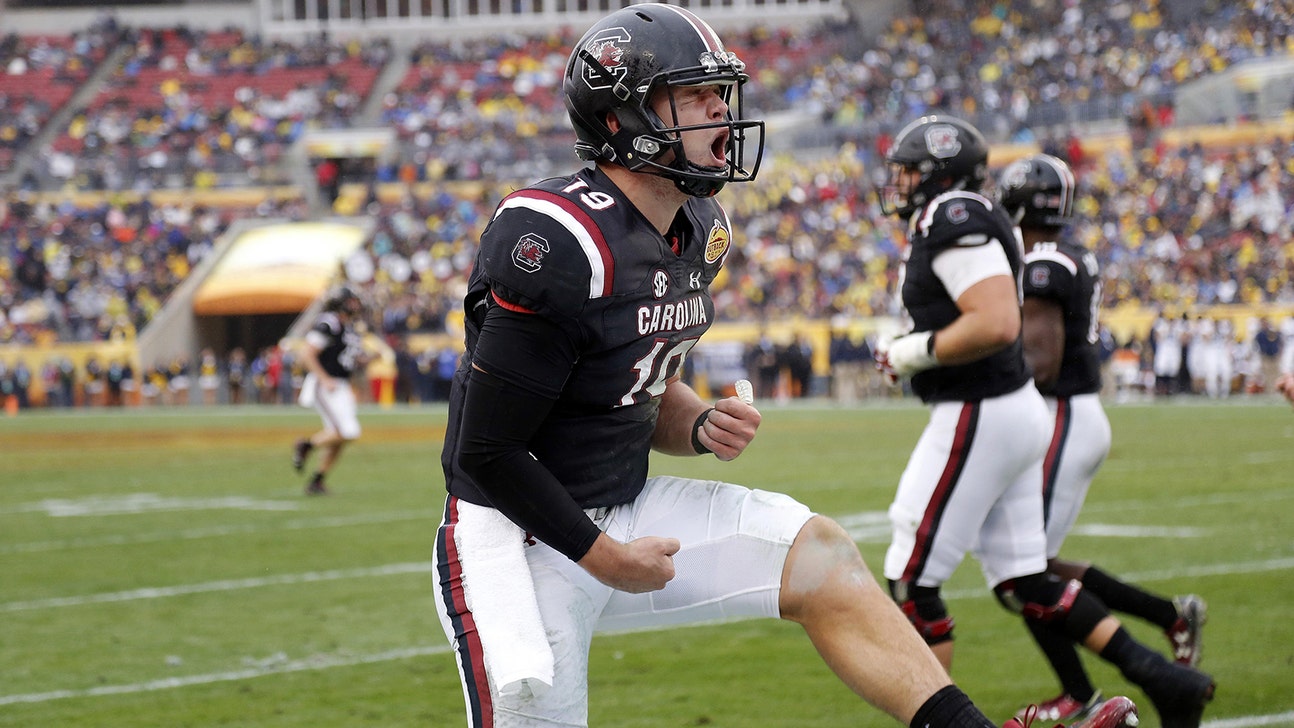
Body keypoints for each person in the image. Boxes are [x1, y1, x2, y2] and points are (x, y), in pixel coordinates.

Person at [432, 12, 1136, 728]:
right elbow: (487, 451)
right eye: (696, 94)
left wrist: (697, 421)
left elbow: (628, 381)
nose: (721, 111)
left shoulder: (698, 227)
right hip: (515, 538)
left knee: (821, 556)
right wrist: (606, 558)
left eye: (720, 92)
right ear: (624, 117)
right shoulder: (557, 238)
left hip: (625, 507)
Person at [872, 115, 1210, 728]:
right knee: (1026, 578)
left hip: (987, 410)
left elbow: (999, 324)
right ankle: (1161, 677)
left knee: (912, 578)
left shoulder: (952, 216)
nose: (897, 185)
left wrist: (910, 352)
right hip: (1018, 410)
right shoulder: (970, 218)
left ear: (936, 174)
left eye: (907, 173)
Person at [1001, 153, 1211, 723]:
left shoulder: (1042, 260)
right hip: (1067, 416)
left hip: (1062, 414)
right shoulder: (1061, 254)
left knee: (1023, 574)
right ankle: (1167, 617)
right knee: (1029, 567)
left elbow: (1040, 360)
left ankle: (1088, 689)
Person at [292, 284, 369, 495]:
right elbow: (306, 354)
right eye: (352, 301)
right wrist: (324, 378)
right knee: (348, 432)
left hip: (340, 384)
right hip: (326, 384)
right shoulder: (329, 323)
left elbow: (345, 358)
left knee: (339, 437)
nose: (356, 305)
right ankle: (306, 445)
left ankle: (317, 481)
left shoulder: (348, 326)